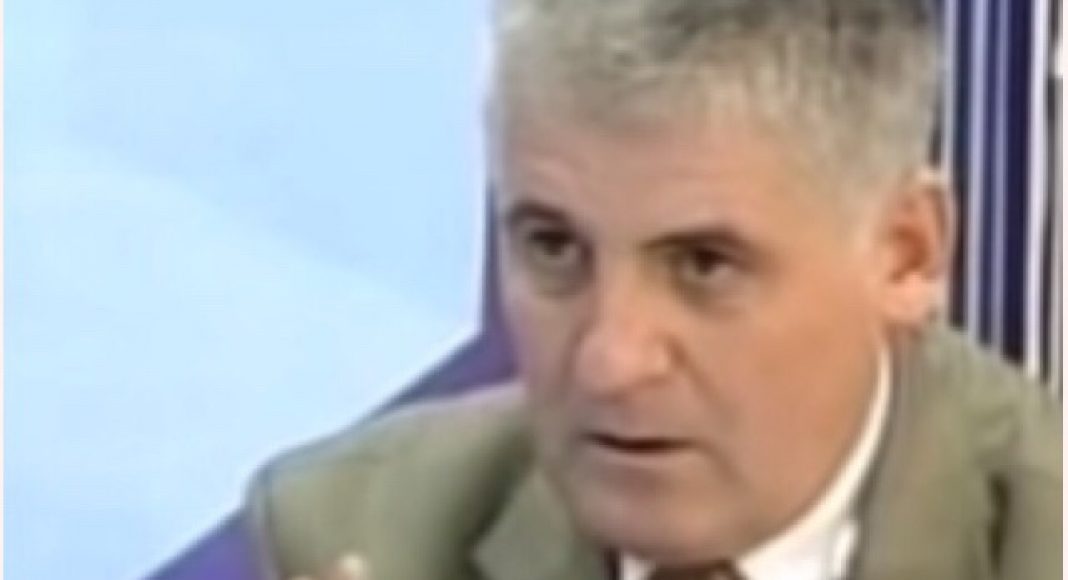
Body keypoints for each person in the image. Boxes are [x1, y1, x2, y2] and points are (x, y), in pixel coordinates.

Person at [245, 1, 1062, 579]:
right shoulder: (365, 534)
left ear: (906, 255)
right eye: (554, 248)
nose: (610, 362)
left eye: (704, 264)